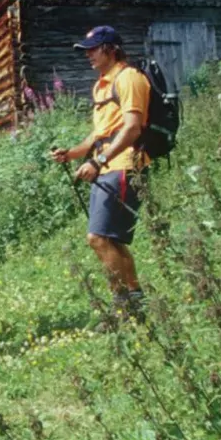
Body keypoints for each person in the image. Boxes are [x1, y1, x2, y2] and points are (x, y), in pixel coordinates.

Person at [49, 25, 150, 316]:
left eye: (93, 49)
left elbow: (132, 128)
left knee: (98, 238)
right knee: (112, 241)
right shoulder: (102, 84)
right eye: (86, 50)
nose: (88, 55)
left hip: (125, 167)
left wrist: (98, 161)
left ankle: (123, 305)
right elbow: (98, 135)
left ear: (111, 48)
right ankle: (137, 302)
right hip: (108, 166)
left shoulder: (128, 78)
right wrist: (72, 154)